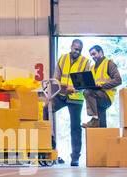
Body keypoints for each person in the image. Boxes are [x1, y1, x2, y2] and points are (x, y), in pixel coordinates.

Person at [44, 39, 90, 167]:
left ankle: (75, 157)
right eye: (76, 49)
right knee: (47, 108)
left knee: (75, 127)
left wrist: (74, 89)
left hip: (75, 97)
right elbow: (56, 78)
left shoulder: (85, 62)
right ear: (71, 47)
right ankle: (49, 145)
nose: (77, 52)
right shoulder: (62, 59)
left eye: (80, 50)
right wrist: (59, 87)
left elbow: (86, 83)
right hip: (61, 95)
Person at [82, 45, 122, 128]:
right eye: (91, 55)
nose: (93, 57)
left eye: (94, 54)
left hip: (106, 96)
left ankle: (94, 119)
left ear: (100, 52)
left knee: (88, 92)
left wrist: (102, 86)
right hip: (96, 96)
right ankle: (98, 126)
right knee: (101, 126)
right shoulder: (92, 68)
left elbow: (118, 80)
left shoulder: (109, 63)